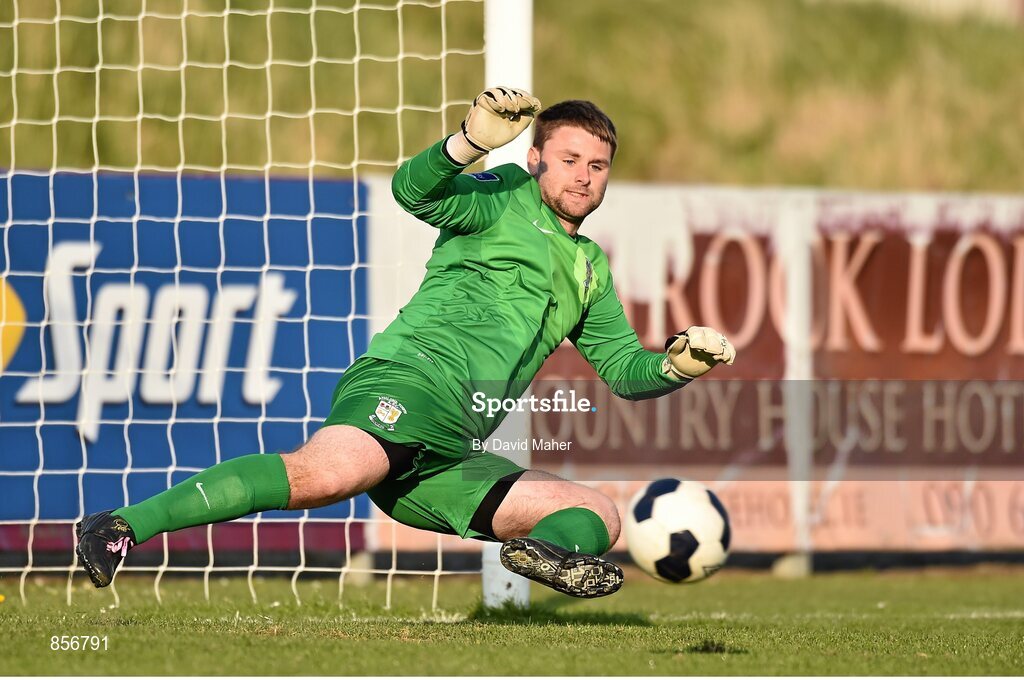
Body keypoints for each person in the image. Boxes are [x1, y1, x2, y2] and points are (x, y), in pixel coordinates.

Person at [75, 87, 736, 599]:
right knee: (323, 474)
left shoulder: (590, 265)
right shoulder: (501, 196)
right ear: (535, 158)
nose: (585, 176)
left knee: (596, 513)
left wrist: (676, 364)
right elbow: (412, 191)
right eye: (569, 160)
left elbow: (624, 371)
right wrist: (468, 141)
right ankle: (121, 525)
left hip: (449, 451)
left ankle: (549, 558)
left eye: (597, 165)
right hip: (406, 383)